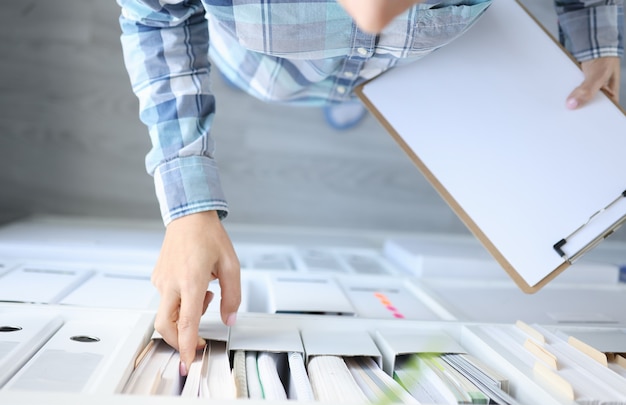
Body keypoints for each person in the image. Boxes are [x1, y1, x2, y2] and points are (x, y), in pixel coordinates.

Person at [116, 0, 623, 375]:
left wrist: (596, 37)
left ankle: (358, 92)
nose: (375, 22)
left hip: (412, 64)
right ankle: (345, 92)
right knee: (308, 81)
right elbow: (156, 17)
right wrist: (188, 208)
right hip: (276, 73)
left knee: (374, 75)